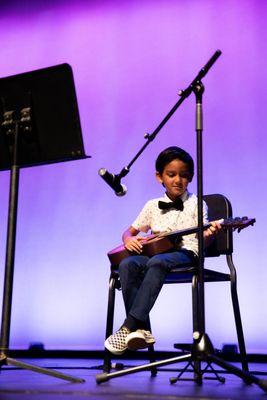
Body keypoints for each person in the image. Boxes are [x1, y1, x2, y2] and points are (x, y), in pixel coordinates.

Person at [105, 146, 221, 355]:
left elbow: (205, 240)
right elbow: (128, 232)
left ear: (191, 177)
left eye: (184, 175)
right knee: (128, 264)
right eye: (171, 174)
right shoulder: (152, 206)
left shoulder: (197, 204)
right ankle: (142, 330)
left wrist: (211, 233)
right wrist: (129, 239)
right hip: (155, 254)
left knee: (157, 263)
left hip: (186, 254)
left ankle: (127, 327)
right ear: (159, 177)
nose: (178, 180)